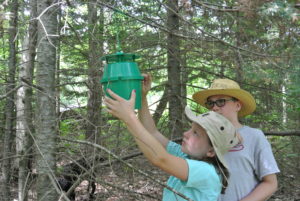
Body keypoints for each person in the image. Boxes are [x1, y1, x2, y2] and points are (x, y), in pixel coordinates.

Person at [104, 74, 241, 201]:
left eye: (195, 134)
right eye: (190, 129)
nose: (185, 134)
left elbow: (160, 159)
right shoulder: (184, 155)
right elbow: (152, 132)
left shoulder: (207, 172)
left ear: (210, 151)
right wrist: (142, 97)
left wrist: (129, 117)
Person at [192, 78, 280, 201]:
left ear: (237, 105)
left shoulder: (254, 136)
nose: (214, 108)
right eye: (210, 103)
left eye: (221, 101)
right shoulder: (204, 137)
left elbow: (270, 183)